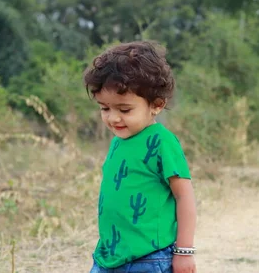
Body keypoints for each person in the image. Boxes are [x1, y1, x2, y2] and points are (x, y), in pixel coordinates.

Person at [83, 41, 197, 273]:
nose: (113, 118)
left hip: (148, 258)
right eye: (105, 108)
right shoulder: (118, 142)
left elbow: (184, 197)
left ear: (156, 105)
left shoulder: (161, 142)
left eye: (124, 110)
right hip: (109, 255)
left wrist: (184, 252)